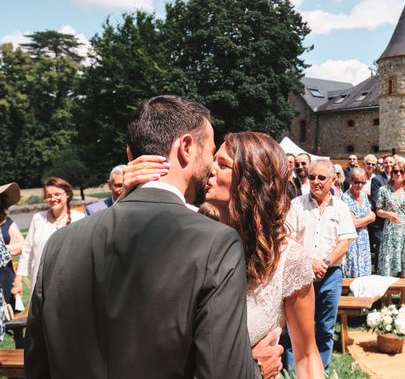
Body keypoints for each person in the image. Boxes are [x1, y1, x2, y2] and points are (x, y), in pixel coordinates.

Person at [25, 96, 257, 378]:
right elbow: (224, 373)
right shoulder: (216, 244)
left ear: (128, 152)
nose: (210, 165)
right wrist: (257, 369)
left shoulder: (60, 243)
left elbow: (37, 363)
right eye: (209, 150)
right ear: (185, 147)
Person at [125, 131, 323, 378]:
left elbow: (306, 354)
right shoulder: (188, 236)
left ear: (251, 181)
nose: (210, 169)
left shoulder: (289, 259)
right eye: (213, 160)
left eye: (223, 164)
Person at [285, 159, 357, 374]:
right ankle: (293, 372)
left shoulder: (341, 208)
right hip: (300, 274)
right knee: (295, 327)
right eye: (311, 176)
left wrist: (324, 263)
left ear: (333, 180)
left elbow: (344, 242)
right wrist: (309, 262)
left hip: (330, 275)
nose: (315, 181)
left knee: (325, 327)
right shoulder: (296, 205)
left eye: (321, 178)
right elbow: (288, 236)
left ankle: (321, 372)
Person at [13, 176, 84, 302]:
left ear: (67, 194)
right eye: (49, 195)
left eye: (57, 194)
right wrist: (18, 280)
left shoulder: (79, 219)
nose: (53, 199)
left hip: (71, 282)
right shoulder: (38, 219)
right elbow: (27, 250)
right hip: (42, 284)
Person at [376, 160, 405, 293]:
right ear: (391, 173)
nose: (398, 174)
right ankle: (388, 300)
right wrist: (388, 214)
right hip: (390, 233)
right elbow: (378, 211)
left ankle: (402, 300)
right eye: (395, 171)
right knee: (389, 266)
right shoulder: (384, 190)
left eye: (401, 171)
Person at [342, 168, 375, 278]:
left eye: (363, 182)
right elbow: (353, 224)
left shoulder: (364, 195)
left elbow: (372, 216)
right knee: (352, 271)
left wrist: (367, 219)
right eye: (356, 182)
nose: (360, 185)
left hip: (364, 237)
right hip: (352, 239)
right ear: (350, 181)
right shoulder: (345, 198)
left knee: (364, 274)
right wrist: (368, 219)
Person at [0, 183, 24, 310]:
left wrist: (3, 248)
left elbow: (22, 246)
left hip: (5, 277)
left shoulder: (7, 222)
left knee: (7, 318)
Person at [370, 154, 395, 252]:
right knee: (382, 249)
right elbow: (376, 200)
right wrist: (390, 212)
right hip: (381, 222)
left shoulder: (399, 179)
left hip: (394, 222)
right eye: (386, 162)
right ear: (383, 165)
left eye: (391, 162)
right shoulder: (377, 180)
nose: (388, 164)